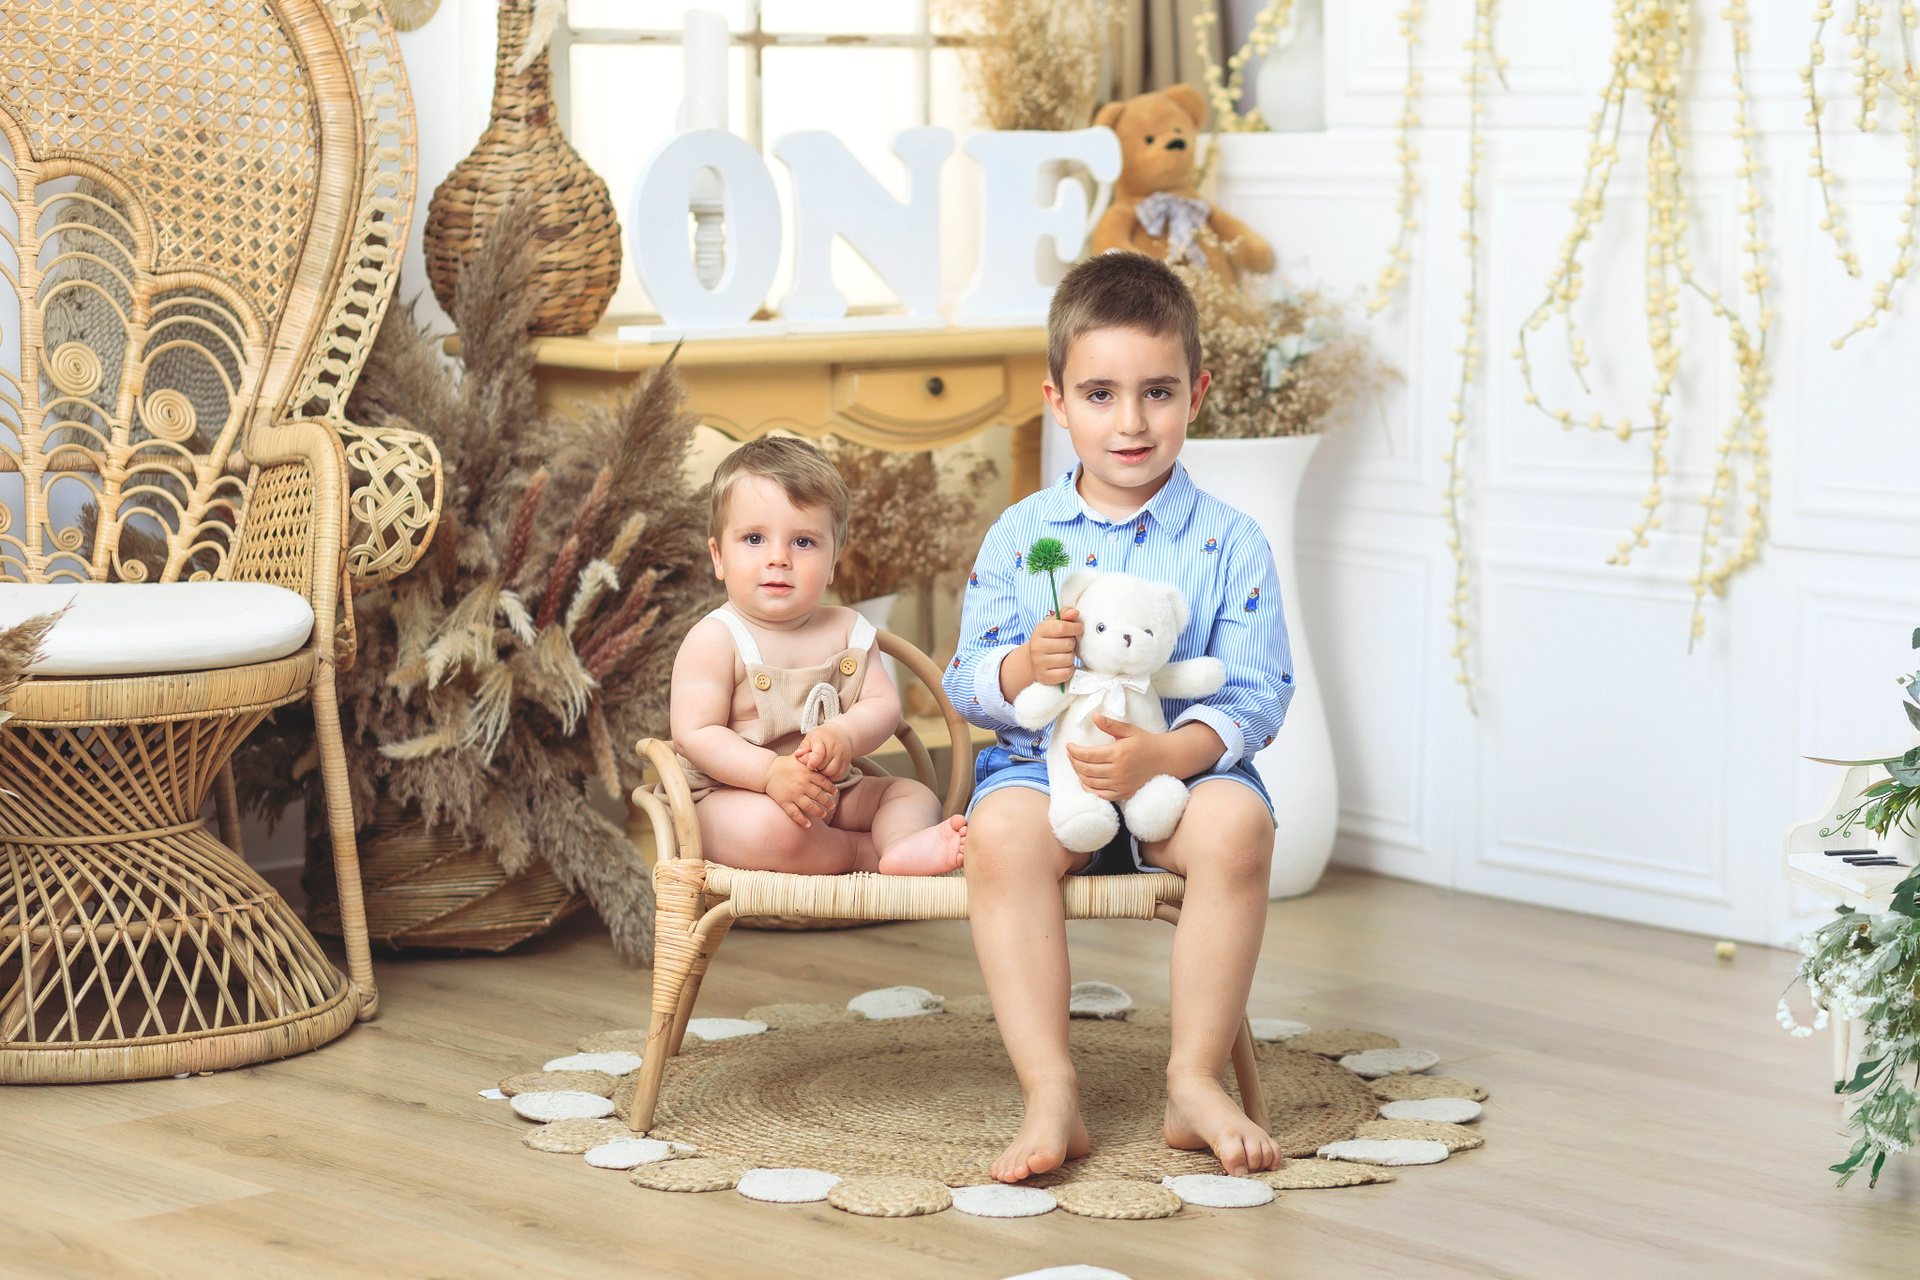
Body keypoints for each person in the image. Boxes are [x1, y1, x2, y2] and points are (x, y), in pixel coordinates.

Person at [945, 251, 1294, 1182]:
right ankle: (1050, 1088)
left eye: (1157, 393)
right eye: (1100, 394)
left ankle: (1193, 1079)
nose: (1130, 422)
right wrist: (1023, 666)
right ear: (1058, 401)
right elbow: (964, 679)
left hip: (1178, 780)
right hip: (1042, 774)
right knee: (1001, 838)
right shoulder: (1022, 536)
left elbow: (1257, 694)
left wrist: (1168, 755)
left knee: (1240, 826)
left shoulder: (1230, 542)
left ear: (1196, 394)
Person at [669, 436, 966, 877]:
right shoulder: (715, 637)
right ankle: (864, 855)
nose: (778, 558)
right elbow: (695, 734)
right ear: (719, 557)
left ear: (833, 562)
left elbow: (883, 705)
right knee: (770, 829)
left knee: (911, 795)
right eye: (754, 538)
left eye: (804, 542)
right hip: (733, 795)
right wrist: (769, 773)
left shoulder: (848, 629)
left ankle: (901, 845)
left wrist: (844, 733)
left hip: (832, 790)